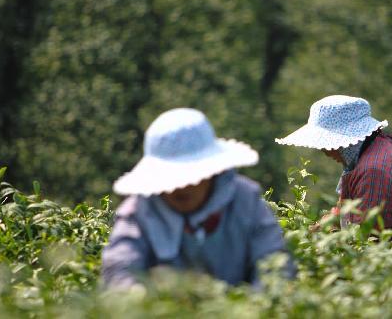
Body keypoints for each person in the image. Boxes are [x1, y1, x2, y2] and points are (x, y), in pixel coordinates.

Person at [101, 108, 294, 289]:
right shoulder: (139, 212)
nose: (182, 186)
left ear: (211, 173)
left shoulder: (245, 201)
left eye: (191, 176)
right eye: (171, 177)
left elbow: (275, 266)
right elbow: (120, 269)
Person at [276, 95, 392, 255]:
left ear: (346, 141)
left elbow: (367, 240)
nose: (325, 151)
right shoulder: (378, 149)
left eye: (327, 144)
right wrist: (321, 227)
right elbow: (351, 208)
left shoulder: (374, 170)